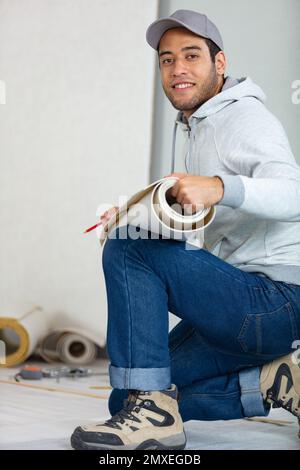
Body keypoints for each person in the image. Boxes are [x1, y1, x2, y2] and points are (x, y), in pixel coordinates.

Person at [71, 9, 300, 450]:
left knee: (128, 249)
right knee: (131, 392)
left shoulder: (244, 117)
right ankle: (276, 382)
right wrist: (138, 215)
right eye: (167, 59)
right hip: (243, 305)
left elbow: (293, 194)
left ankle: (156, 414)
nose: (177, 69)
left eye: (191, 56)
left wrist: (219, 186)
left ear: (220, 64)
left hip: (277, 301)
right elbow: (201, 235)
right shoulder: (196, 126)